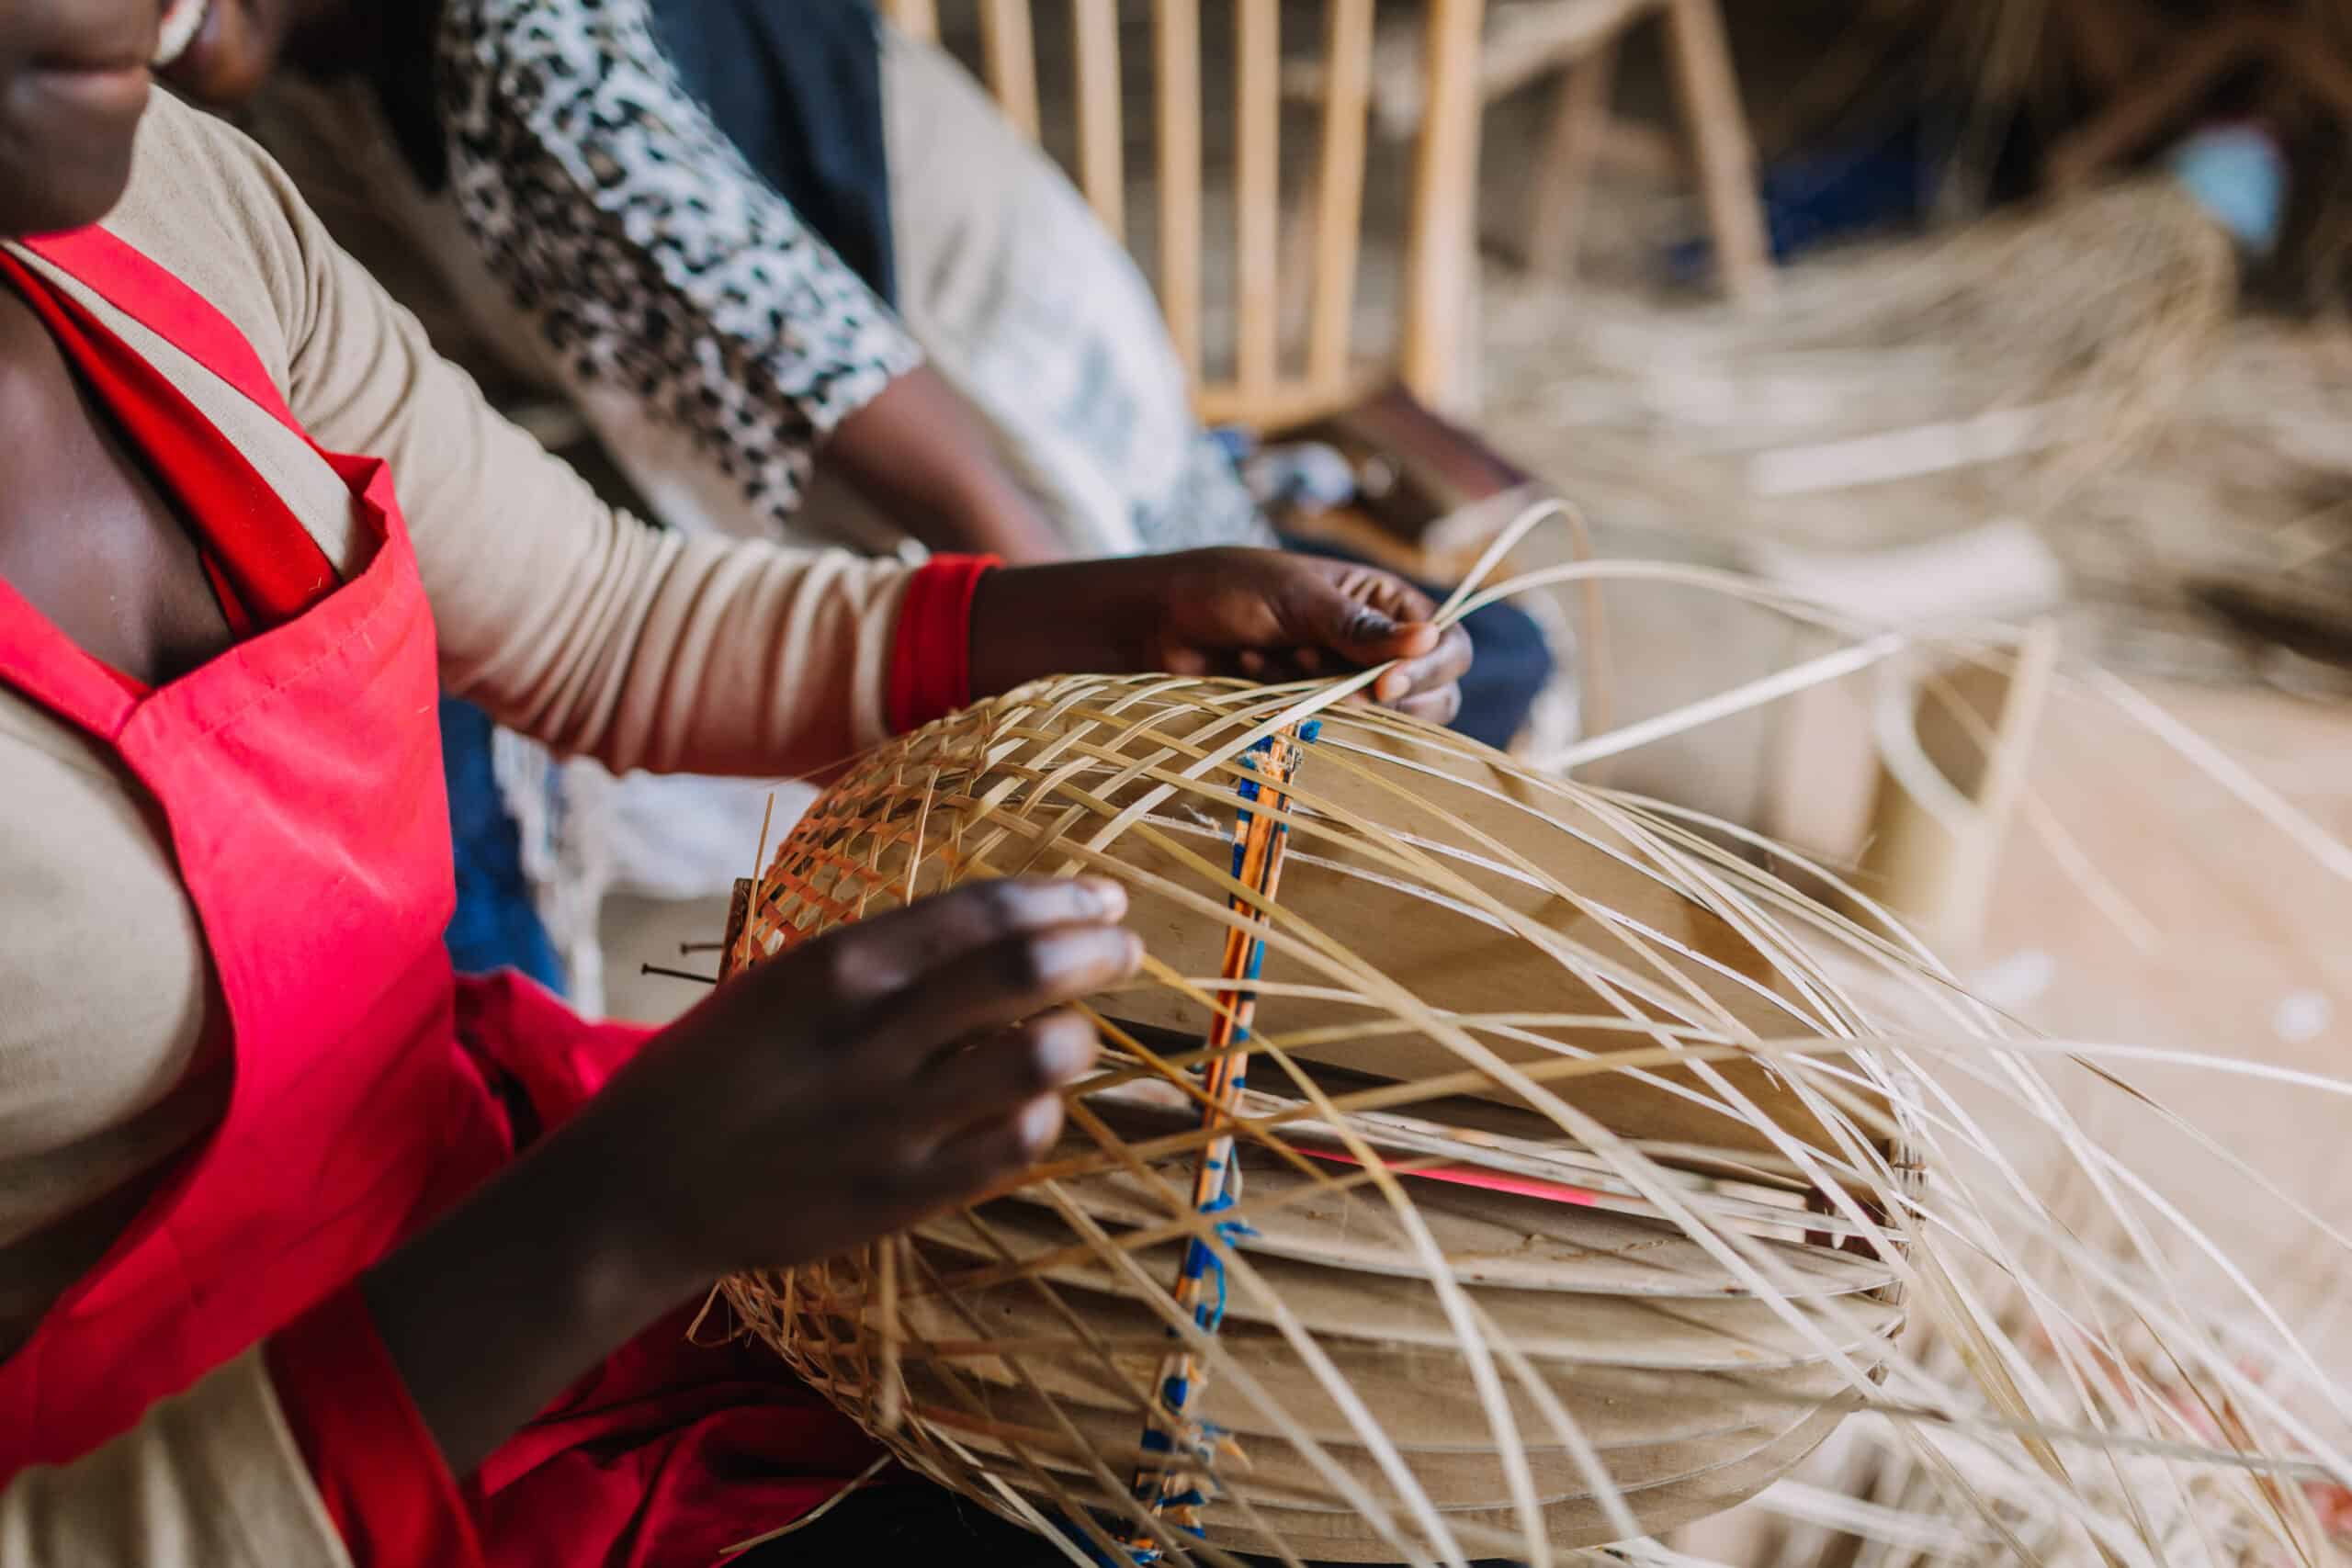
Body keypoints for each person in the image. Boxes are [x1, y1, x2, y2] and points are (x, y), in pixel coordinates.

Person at [0, 2, 1475, 1562]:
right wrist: (613, 1221)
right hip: (284, 1467)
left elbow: (593, 615)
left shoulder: (173, 201)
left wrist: (1102, 616)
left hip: (521, 1213)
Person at [163, 0, 1562, 1001]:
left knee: (1173, 766)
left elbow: (865, 397)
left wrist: (1111, 744)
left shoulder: (523, 47)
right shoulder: (293, 92)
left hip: (1005, 427)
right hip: (806, 480)